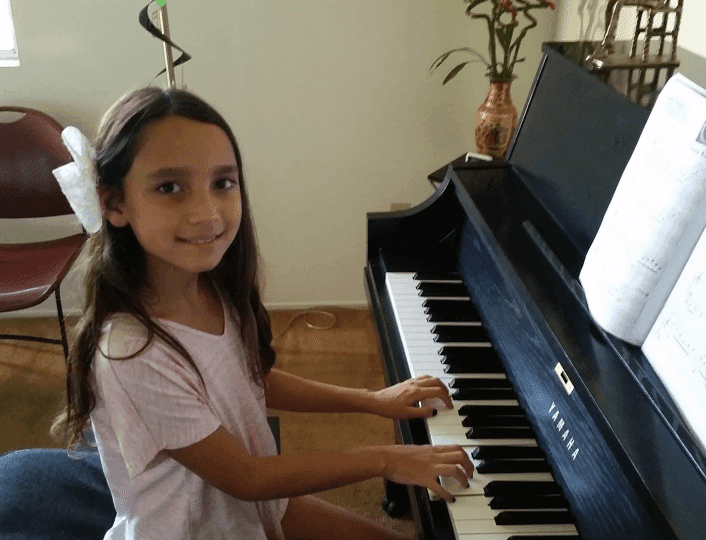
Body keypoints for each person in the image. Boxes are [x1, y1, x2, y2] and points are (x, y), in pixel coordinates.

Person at [50, 86, 474, 540]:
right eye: (169, 187)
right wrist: (386, 458)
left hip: (258, 511)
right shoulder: (132, 352)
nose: (207, 212)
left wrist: (371, 399)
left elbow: (250, 377)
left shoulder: (211, 288)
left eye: (222, 182)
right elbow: (247, 479)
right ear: (115, 204)